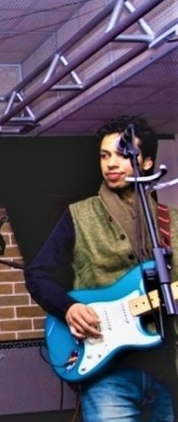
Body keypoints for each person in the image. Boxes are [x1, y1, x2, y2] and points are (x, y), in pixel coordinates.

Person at [24, 115, 178, 421]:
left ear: (147, 162)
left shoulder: (169, 219)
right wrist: (69, 308)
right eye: (105, 156)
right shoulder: (78, 215)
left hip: (165, 367)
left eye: (122, 155)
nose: (111, 164)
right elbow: (37, 274)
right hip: (107, 370)